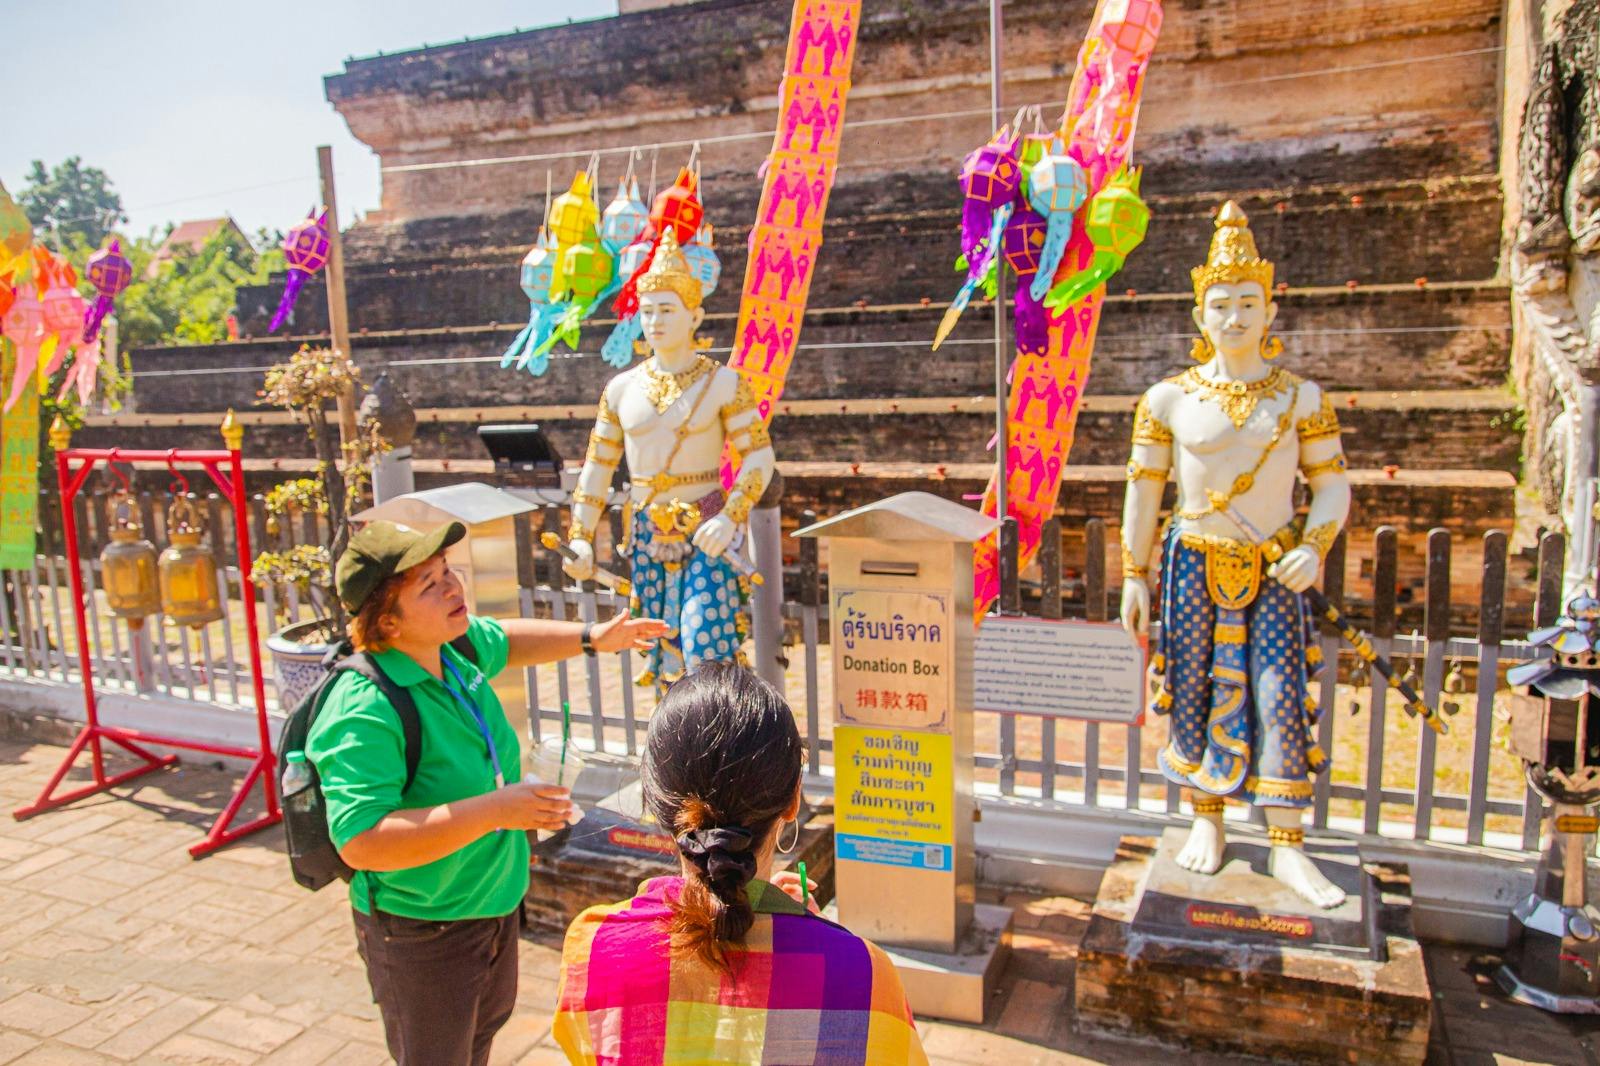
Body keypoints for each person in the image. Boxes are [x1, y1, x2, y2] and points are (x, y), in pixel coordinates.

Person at [307, 519, 667, 1066]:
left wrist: (594, 638)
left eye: (447, 570)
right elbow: (361, 841)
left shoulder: (452, 652)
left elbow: (506, 639)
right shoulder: (365, 707)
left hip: (492, 905)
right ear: (386, 620)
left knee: (476, 1046)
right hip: (424, 930)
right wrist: (495, 811)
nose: (454, 587)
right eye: (429, 584)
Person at [552, 662, 929, 1065]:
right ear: (793, 801)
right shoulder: (864, 976)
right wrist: (809, 930)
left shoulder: (594, 952)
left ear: (653, 800)